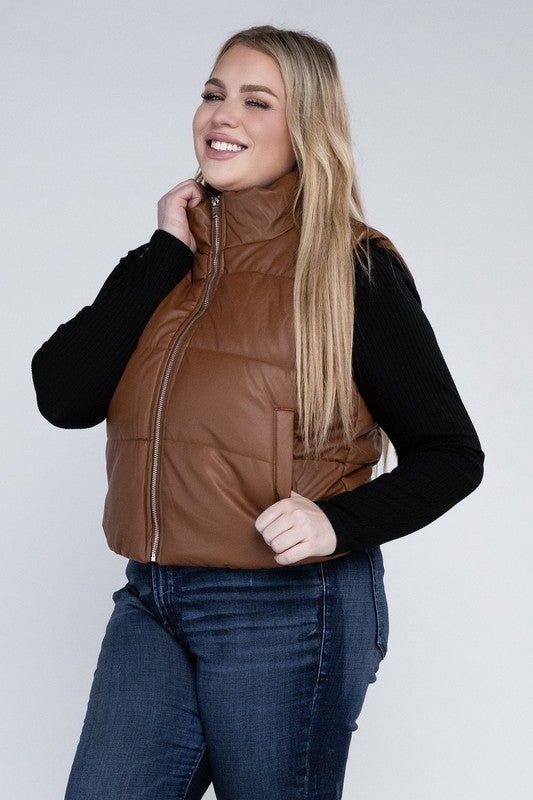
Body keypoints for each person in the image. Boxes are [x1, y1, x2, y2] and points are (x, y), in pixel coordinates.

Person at [31, 24, 484, 800]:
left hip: (287, 607)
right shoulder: (168, 263)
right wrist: (163, 253)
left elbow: (451, 452)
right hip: (152, 598)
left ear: (303, 127)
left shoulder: (349, 268)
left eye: (255, 101)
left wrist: (337, 522)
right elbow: (64, 397)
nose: (222, 115)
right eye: (213, 94)